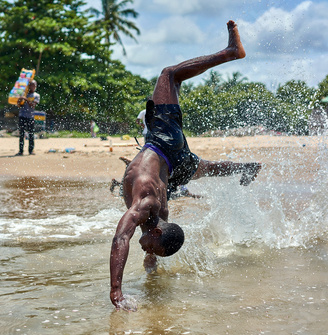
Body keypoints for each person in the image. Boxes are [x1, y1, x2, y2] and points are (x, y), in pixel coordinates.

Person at [110, 20, 262, 311]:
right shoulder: (146, 206)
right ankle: (230, 52)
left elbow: (143, 234)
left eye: (150, 250)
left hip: (173, 164)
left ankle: (245, 168)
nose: (146, 246)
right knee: (169, 75)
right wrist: (117, 292)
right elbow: (121, 238)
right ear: (156, 231)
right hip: (165, 143)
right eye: (151, 247)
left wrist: (151, 260)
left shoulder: (157, 215)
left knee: (204, 168)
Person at [16, 80, 40, 156]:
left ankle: (31, 150)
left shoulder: (36, 95)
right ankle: (21, 151)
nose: (33, 87)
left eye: (34, 85)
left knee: (31, 134)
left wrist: (26, 99)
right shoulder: (24, 94)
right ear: (28, 86)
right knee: (21, 134)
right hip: (22, 116)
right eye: (31, 85)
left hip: (30, 116)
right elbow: (19, 105)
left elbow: (32, 105)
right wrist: (20, 99)